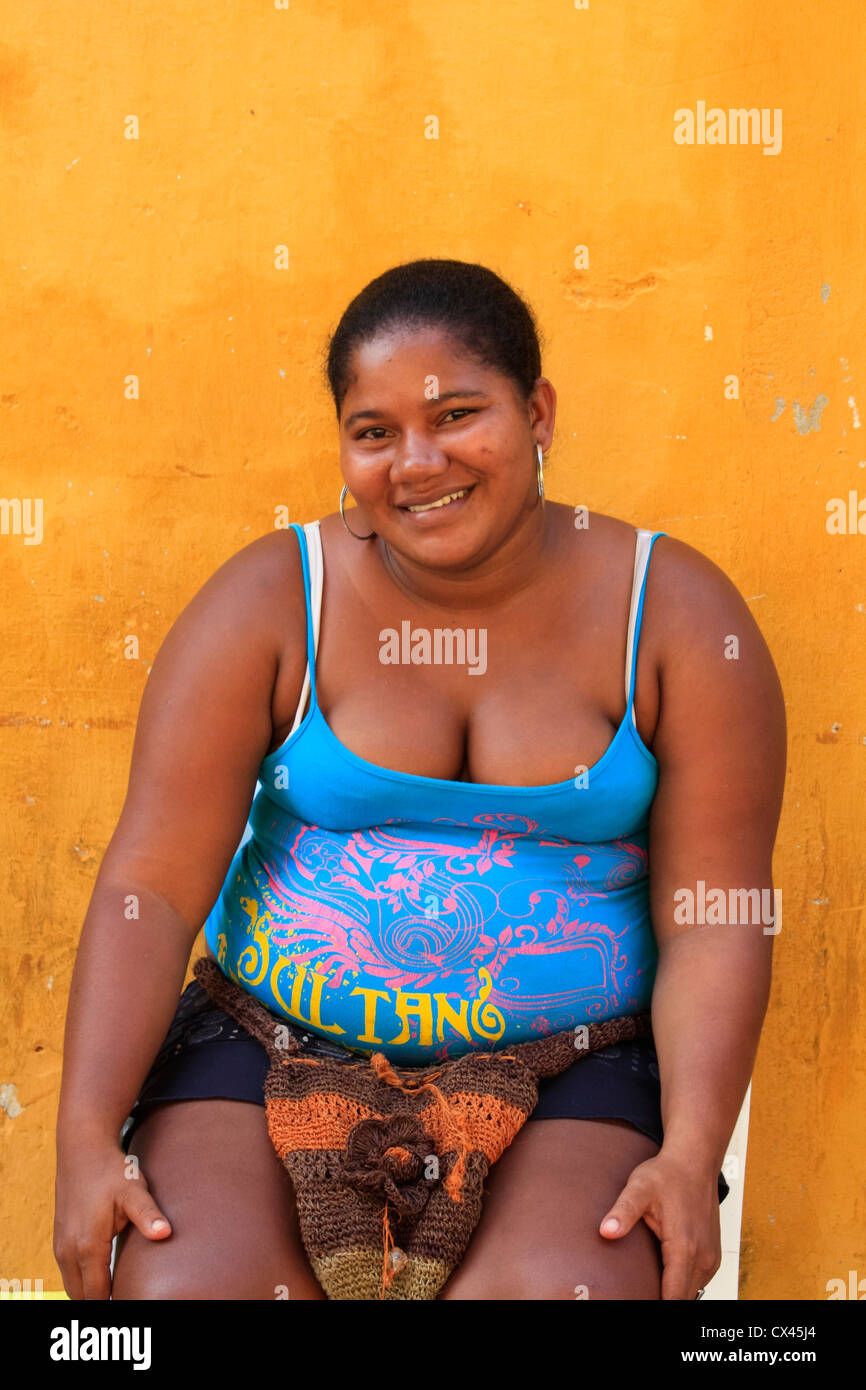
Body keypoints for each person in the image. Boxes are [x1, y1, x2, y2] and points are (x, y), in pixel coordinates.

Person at [54, 259, 786, 1301]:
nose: (418, 461)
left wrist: (690, 1149)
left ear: (535, 411)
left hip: (573, 1063)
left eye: (456, 413)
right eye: (374, 430)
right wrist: (87, 1138)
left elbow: (715, 915)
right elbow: (155, 883)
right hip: (267, 1038)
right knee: (187, 1292)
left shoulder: (670, 618)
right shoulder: (271, 601)